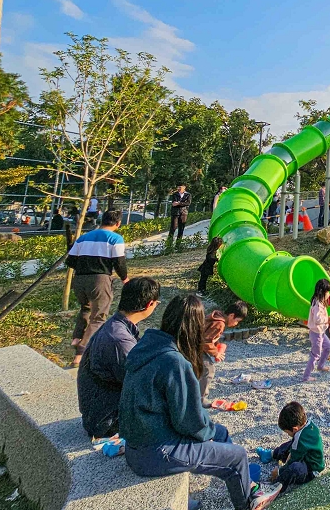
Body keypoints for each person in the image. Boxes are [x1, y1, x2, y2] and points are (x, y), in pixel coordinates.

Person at [120, 295, 279, 510]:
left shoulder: (148, 346)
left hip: (141, 441)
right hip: (157, 451)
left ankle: (246, 483)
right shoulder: (174, 362)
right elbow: (189, 421)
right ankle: (249, 502)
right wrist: (206, 436)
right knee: (237, 455)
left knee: (220, 432)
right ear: (194, 327)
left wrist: (210, 433)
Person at [77, 277, 161, 439]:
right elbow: (140, 385)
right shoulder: (119, 339)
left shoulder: (116, 326)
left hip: (99, 412)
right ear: (150, 304)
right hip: (106, 422)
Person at [67, 209, 128, 368]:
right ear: (118, 223)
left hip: (79, 279)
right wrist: (124, 278)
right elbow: (119, 262)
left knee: (85, 308)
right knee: (99, 316)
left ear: (102, 220)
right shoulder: (115, 238)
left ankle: (77, 337)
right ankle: (81, 352)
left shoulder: (83, 237)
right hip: (99, 279)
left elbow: (71, 260)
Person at [260, 402, 324, 494]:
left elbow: (293, 460)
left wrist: (279, 471)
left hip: (311, 470)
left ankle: (276, 486)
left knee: (294, 468)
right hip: (305, 454)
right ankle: (272, 454)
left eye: (287, 432)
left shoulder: (300, 438)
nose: (288, 434)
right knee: (291, 444)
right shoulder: (308, 424)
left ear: (294, 429)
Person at [200, 301, 248, 407]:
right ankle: (201, 398)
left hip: (196, 346)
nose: (236, 324)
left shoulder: (217, 317)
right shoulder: (220, 323)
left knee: (200, 370)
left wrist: (216, 344)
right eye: (237, 321)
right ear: (231, 315)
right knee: (208, 369)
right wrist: (216, 353)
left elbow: (209, 335)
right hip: (196, 348)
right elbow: (205, 341)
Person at [304, 279, 330, 381]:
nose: (328, 294)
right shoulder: (317, 304)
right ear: (322, 292)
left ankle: (320, 366)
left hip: (320, 332)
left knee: (328, 347)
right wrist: (327, 319)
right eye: (327, 292)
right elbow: (317, 319)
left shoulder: (319, 301)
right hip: (316, 334)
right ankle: (306, 376)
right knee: (315, 355)